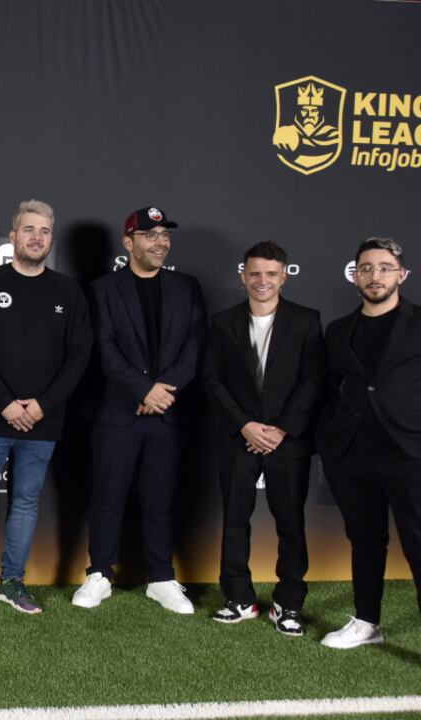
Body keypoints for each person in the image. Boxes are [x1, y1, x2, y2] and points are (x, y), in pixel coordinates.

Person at [0, 200, 91, 615]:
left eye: (44, 231)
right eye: (28, 229)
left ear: (52, 239)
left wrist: (42, 405)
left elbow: (79, 356)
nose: (36, 237)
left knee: (26, 502)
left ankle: (13, 581)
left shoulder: (68, 291)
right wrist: (5, 404)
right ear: (12, 236)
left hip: (43, 423)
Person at [72, 206, 205, 614]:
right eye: (150, 234)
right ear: (128, 242)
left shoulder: (187, 287)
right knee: (108, 496)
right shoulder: (102, 289)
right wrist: (144, 389)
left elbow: (194, 347)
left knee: (160, 497)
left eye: (164, 234)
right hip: (118, 412)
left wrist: (164, 392)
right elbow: (105, 351)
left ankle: (161, 577)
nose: (160, 241)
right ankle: (99, 574)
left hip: (166, 413)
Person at [202, 241, 325, 634]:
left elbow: (314, 380)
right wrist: (245, 425)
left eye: (271, 274)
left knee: (290, 523)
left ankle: (288, 604)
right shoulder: (223, 322)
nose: (262, 281)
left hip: (288, 441)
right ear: (243, 276)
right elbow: (213, 380)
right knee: (235, 520)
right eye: (254, 273)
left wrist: (282, 428)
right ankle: (238, 598)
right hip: (239, 437)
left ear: (284, 276)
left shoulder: (307, 320)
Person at [317, 237, 421, 649]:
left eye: (383, 267)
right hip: (352, 455)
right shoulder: (339, 330)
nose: (375, 275)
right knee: (364, 539)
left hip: (409, 452)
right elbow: (327, 390)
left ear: (401, 274)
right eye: (366, 268)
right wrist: (330, 439)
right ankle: (367, 622)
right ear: (355, 276)